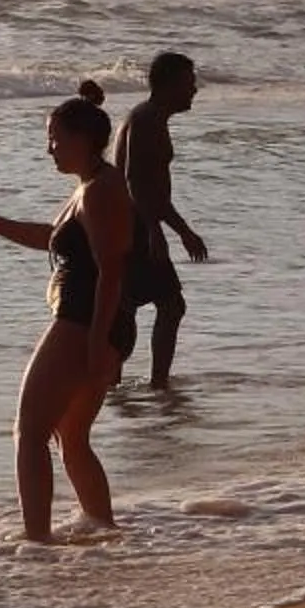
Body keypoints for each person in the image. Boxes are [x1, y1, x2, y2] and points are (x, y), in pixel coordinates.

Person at [0, 82, 136, 543]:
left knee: (29, 432)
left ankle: (37, 543)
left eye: (55, 137)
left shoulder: (100, 191)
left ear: (82, 139)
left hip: (82, 323)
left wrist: (96, 343)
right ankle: (102, 529)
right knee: (69, 438)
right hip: (93, 324)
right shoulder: (90, 187)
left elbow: (112, 270)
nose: (48, 148)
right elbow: (48, 238)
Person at [114, 51, 209, 386]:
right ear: (169, 84)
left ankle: (120, 384)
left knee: (132, 305)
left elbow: (156, 193)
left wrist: (183, 231)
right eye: (189, 83)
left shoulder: (151, 117)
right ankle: (152, 384)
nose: (194, 90)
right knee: (166, 305)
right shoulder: (146, 119)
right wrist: (154, 230)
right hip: (133, 225)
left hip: (136, 222)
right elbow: (133, 180)